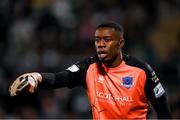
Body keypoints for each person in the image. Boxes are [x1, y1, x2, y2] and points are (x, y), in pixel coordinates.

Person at [9, 22, 172, 119]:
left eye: (107, 40)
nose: (100, 44)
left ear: (120, 43)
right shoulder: (88, 67)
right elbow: (59, 78)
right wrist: (36, 77)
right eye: (97, 40)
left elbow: (163, 111)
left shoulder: (141, 71)